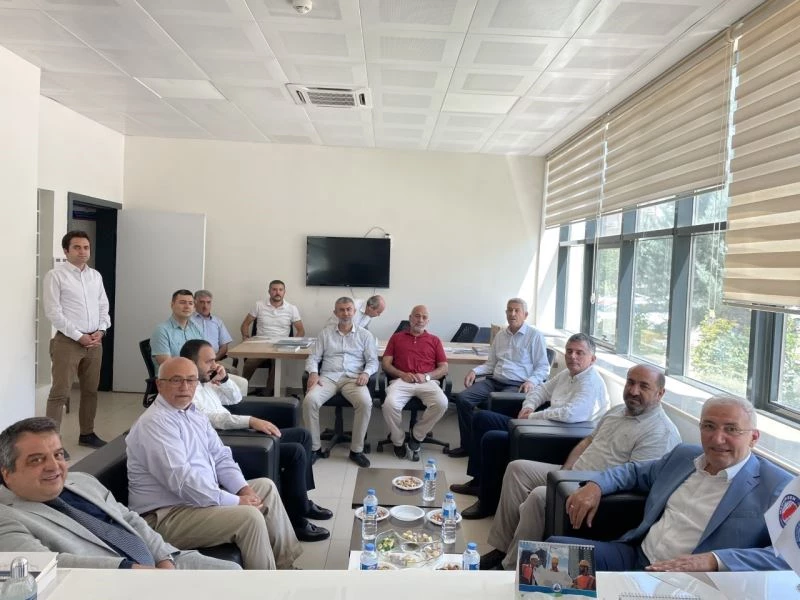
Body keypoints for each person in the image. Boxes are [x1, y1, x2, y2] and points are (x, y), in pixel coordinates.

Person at [551, 396, 793, 572]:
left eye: (731, 429)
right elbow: (633, 472)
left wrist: (716, 560)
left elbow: (791, 555)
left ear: (753, 438)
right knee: (550, 558)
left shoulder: (777, 486)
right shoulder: (683, 456)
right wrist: (596, 486)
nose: (718, 439)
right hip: (634, 557)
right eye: (709, 426)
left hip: (686, 580)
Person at [481, 363, 680, 570]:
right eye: (630, 383)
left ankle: (511, 567)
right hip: (573, 473)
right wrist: (565, 471)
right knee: (517, 469)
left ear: (660, 393)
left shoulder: (659, 432)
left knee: (540, 496)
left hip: (597, 489)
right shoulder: (617, 411)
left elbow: (635, 480)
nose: (634, 391)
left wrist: (572, 484)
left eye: (643, 386)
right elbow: (587, 442)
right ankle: (502, 547)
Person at [126, 357, 302, 570]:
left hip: (195, 502)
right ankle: (264, 583)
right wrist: (237, 502)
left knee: (265, 488)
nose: (185, 387)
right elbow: (183, 482)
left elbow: (220, 456)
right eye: (176, 380)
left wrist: (244, 490)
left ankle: (285, 568)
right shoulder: (155, 423)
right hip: (165, 515)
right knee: (249, 517)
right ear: (159, 384)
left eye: (191, 380)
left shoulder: (193, 412)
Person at [0, 417, 238, 570]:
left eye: (58, 455)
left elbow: (131, 519)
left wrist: (163, 558)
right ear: (7, 473)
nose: (54, 466)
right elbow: (47, 565)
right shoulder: (7, 516)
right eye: (37, 460)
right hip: (111, 585)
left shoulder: (83, 481)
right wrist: (128, 570)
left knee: (234, 574)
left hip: (164, 562)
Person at [179, 339, 332, 542]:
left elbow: (235, 398)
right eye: (209, 362)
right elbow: (214, 419)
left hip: (241, 431)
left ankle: (302, 503)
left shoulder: (206, 382)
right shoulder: (188, 391)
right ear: (191, 363)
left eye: (215, 360)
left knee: (303, 435)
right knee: (295, 452)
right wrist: (250, 420)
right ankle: (296, 522)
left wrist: (224, 380)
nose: (215, 365)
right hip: (232, 438)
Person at [451, 333, 609, 519]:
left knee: (493, 439)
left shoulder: (591, 382)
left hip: (557, 439)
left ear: (592, 359)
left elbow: (571, 414)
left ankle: (488, 502)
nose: (572, 356)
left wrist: (533, 416)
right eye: (569, 351)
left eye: (579, 353)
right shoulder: (567, 374)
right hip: (539, 427)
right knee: (481, 418)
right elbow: (541, 390)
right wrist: (529, 406)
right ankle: (478, 482)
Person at [449, 298, 550, 457]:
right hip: (494, 381)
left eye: (516, 310)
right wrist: (474, 371)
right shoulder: (500, 335)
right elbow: (490, 364)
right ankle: (468, 447)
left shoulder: (535, 336)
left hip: (517, 385)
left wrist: (532, 380)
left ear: (525, 315)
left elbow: (543, 367)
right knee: (463, 399)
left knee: (493, 405)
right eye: (509, 310)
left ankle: (487, 450)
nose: (512, 314)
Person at [43, 230, 110, 453]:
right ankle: (52, 444)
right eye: (77, 247)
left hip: (95, 341)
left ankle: (87, 434)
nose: (83, 252)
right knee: (60, 393)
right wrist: (79, 335)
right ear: (66, 251)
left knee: (90, 390)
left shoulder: (95, 276)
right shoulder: (55, 276)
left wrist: (101, 330)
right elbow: (53, 312)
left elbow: (103, 306)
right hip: (68, 342)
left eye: (86, 247)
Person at [303, 297, 378, 468]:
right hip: (328, 378)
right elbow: (313, 358)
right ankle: (315, 449)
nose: (345, 313)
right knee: (309, 401)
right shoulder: (325, 334)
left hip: (354, 379)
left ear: (354, 312)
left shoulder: (365, 335)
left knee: (365, 402)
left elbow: (373, 361)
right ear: (335, 313)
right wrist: (313, 373)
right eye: (341, 310)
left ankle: (356, 450)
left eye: (349, 309)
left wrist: (366, 373)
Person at [380, 305, 448, 460]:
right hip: (401, 381)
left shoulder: (434, 340)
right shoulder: (396, 338)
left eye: (424, 317)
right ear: (410, 318)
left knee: (442, 403)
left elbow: (444, 368)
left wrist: (427, 377)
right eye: (417, 316)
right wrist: (402, 374)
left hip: (427, 382)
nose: (420, 320)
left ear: (428, 321)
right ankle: (398, 440)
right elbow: (385, 364)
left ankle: (417, 435)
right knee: (389, 405)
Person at [240, 280, 305, 395]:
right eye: (274, 289)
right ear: (269, 291)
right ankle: (240, 389)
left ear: (284, 292)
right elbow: (245, 324)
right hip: (261, 343)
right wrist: (246, 338)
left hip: (281, 345)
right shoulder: (259, 305)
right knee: (250, 362)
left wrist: (292, 344)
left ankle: (267, 392)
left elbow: (301, 330)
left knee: (278, 365)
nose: (277, 292)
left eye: (280, 290)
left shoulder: (291, 308)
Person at [150, 289, 203, 367]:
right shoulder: (161, 331)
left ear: (194, 307)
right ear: (172, 305)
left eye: (190, 303)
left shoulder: (197, 328)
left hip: (197, 372)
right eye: (182, 302)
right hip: (175, 374)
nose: (187, 306)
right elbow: (168, 366)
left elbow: (203, 355)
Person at [191, 290, 234, 362]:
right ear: (195, 303)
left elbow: (224, 346)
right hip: (194, 362)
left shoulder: (218, 322)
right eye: (202, 302)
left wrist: (213, 360)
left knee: (232, 369)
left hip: (215, 360)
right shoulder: (188, 320)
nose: (205, 306)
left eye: (208, 302)